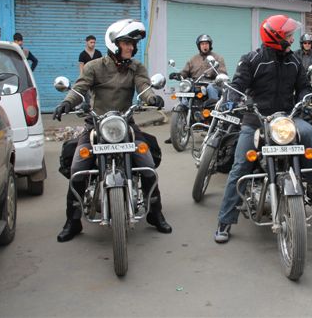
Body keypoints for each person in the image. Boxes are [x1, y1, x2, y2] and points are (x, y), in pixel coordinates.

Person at [52, 19, 171, 242]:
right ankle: (73, 220)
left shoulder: (136, 67)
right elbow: (80, 89)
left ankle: (155, 213)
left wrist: (152, 97)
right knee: (78, 167)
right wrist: (67, 102)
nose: (131, 48)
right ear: (114, 44)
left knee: (147, 165)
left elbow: (144, 87)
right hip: (96, 124)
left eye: (133, 44)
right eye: (126, 43)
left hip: (125, 123)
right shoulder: (94, 66)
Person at [214, 15, 312, 244]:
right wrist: (232, 99)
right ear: (275, 36)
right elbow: (237, 84)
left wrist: (307, 99)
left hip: (287, 119)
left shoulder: (294, 61)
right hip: (256, 119)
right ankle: (225, 220)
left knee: (309, 134)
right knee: (241, 165)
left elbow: (304, 86)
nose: (291, 37)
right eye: (287, 34)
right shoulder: (252, 59)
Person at [180, 34, 227, 99]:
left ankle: (213, 106)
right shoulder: (193, 59)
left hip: (212, 84)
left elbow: (222, 73)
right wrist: (179, 75)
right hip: (196, 84)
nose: (204, 46)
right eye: (202, 44)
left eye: (206, 44)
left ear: (210, 45)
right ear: (199, 46)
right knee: (185, 87)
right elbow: (185, 71)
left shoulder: (218, 58)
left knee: (211, 88)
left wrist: (213, 74)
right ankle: (184, 106)